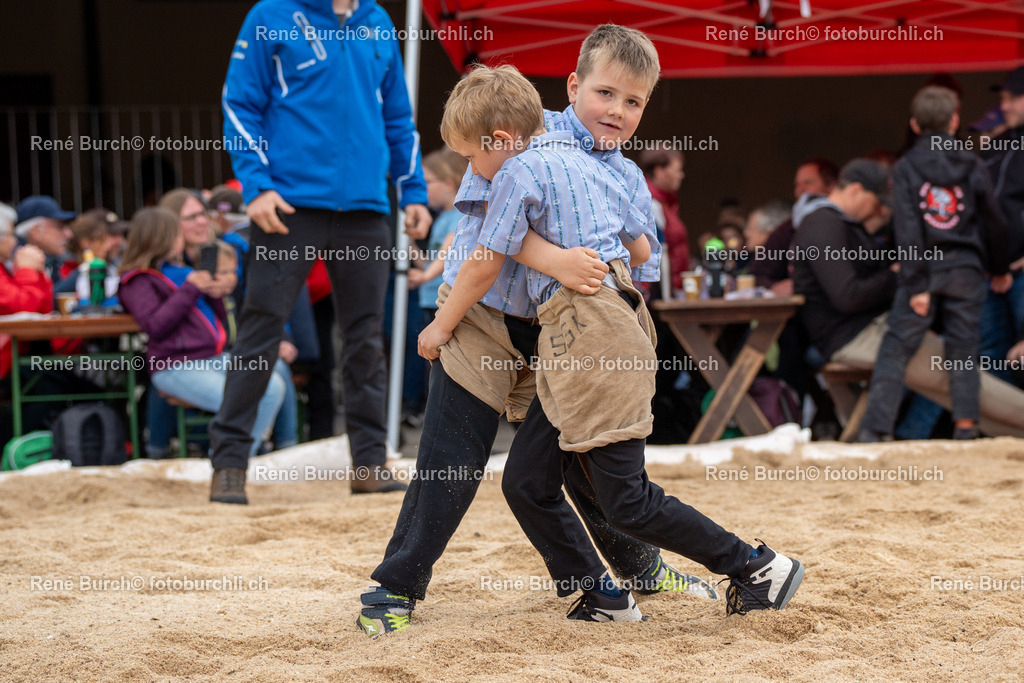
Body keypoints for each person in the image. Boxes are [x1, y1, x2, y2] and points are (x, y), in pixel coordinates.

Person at [358, 27, 713, 638]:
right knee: (451, 455)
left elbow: (638, 256)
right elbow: (486, 235)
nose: (617, 110)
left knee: (582, 463)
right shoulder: (514, 129)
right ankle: (395, 587)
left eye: (633, 102)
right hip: (482, 318)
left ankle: (641, 569)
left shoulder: (625, 175)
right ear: (573, 86)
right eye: (605, 93)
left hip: (564, 332)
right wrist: (553, 260)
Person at [422, 64, 804, 623]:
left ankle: (755, 565)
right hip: (594, 322)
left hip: (590, 329)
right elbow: (645, 253)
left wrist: (439, 327)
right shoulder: (610, 168)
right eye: (608, 95)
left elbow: (484, 262)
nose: (470, 170)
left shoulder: (517, 171)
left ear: (498, 142)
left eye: (469, 157)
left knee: (626, 499)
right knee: (528, 481)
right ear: (573, 90)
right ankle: (604, 596)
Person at [212, 0, 432, 503]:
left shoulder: (376, 22)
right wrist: (256, 185)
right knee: (261, 327)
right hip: (286, 205)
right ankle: (228, 464)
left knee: (365, 337)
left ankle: (370, 463)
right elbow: (238, 103)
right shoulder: (270, 14)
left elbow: (399, 117)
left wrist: (413, 191)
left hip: (365, 208)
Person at [793, 159, 1024, 436]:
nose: (879, 209)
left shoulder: (834, 223)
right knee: (960, 379)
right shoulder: (822, 223)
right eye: (876, 200)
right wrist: (896, 274)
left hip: (869, 330)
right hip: (855, 336)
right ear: (855, 190)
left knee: (959, 382)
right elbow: (847, 296)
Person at [858, 87, 1012, 442]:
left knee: (897, 345)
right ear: (955, 120)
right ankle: (965, 426)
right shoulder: (972, 162)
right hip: (966, 268)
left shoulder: (908, 166)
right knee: (964, 348)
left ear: (914, 124)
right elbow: (995, 221)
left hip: (924, 268)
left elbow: (909, 227)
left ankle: (875, 429)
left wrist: (915, 284)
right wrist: (1000, 267)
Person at [117, 208, 286, 481]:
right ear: (161, 238)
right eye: (176, 235)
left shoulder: (185, 271)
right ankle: (228, 463)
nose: (182, 240)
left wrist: (217, 291)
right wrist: (192, 288)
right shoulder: (138, 280)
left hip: (213, 357)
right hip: (174, 365)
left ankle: (240, 458)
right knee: (239, 398)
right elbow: (156, 326)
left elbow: (218, 322)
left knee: (272, 386)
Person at [408, 148, 467, 327]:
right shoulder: (442, 217)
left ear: (448, 184)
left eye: (427, 182)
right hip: (430, 299)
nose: (423, 188)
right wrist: (409, 243)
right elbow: (430, 261)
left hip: (444, 300)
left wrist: (425, 276)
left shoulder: (459, 214)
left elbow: (447, 252)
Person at [638, 145, 688, 295]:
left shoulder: (667, 203)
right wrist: (665, 297)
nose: (681, 175)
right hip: (658, 294)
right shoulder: (649, 203)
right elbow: (657, 253)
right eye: (677, 170)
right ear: (659, 171)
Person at [13, 195, 74, 284]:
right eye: (60, 227)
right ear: (36, 232)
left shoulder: (52, 259)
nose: (68, 234)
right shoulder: (13, 264)